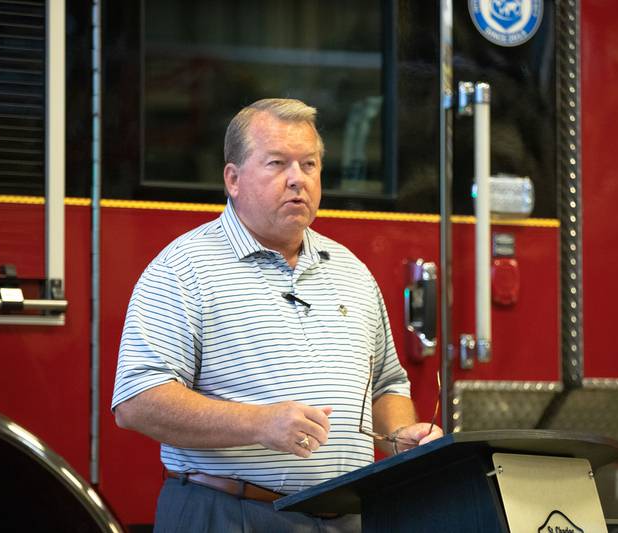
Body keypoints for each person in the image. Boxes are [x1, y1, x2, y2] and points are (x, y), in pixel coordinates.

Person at [112, 98, 443, 532]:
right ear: (233, 179)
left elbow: (386, 384)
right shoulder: (183, 268)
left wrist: (402, 436)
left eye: (309, 164)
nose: (297, 180)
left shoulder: (350, 269)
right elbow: (137, 401)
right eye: (277, 164)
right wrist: (259, 423)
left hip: (349, 519)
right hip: (229, 513)